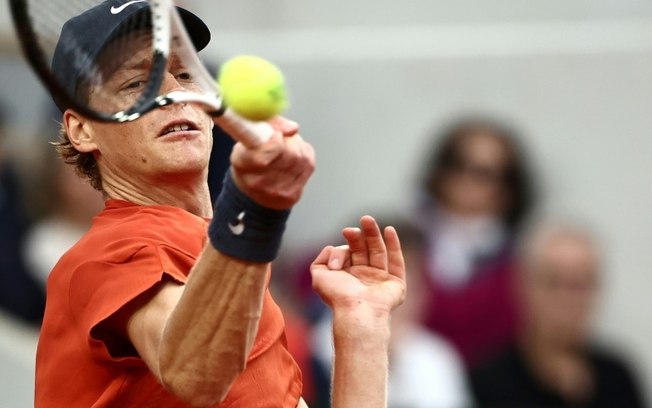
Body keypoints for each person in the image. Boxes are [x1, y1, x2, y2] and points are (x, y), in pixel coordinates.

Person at [35, 1, 406, 407]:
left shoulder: (226, 259)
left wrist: (362, 327)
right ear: (82, 130)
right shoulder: (105, 256)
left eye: (184, 73)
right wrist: (252, 206)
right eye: (136, 84)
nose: (173, 92)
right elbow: (195, 376)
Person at [470, 220, 647, 408]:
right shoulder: (486, 383)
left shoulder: (618, 379)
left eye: (581, 283)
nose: (568, 299)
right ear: (523, 285)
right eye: (553, 282)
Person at [310, 217, 472, 408]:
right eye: (384, 276)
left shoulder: (437, 357)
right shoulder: (307, 356)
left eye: (415, 283)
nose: (400, 297)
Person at [413, 115, 535, 367]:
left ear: (509, 189)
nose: (466, 180)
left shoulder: (521, 269)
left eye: (483, 173)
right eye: (457, 165)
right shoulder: (400, 240)